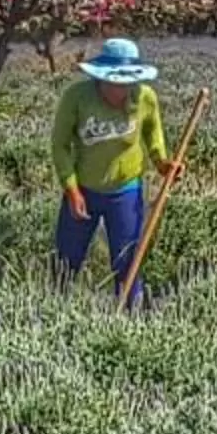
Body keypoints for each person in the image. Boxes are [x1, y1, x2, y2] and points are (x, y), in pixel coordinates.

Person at [50, 36, 167, 305]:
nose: (120, 90)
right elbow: (60, 146)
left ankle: (130, 317)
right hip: (85, 190)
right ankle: (54, 310)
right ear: (100, 78)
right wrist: (72, 189)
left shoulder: (145, 97)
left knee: (128, 261)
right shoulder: (77, 98)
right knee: (67, 260)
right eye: (114, 82)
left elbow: (153, 136)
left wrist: (163, 163)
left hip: (126, 191)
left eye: (126, 83)